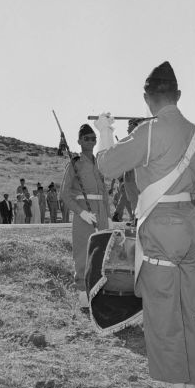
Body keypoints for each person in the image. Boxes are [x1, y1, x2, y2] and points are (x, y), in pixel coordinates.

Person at [95, 61, 195, 388]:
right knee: (184, 313)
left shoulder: (149, 132)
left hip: (161, 231)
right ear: (177, 95)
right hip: (190, 230)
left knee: (163, 316)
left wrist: (105, 133)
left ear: (148, 98)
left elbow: (105, 166)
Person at [59, 124, 110, 307]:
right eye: (86, 138)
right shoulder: (75, 163)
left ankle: (97, 291)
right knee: (83, 253)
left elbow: (104, 192)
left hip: (101, 214)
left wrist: (108, 216)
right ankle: (82, 295)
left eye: (93, 138)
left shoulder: (99, 162)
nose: (90, 141)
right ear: (79, 141)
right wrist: (81, 212)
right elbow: (64, 194)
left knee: (102, 253)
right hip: (84, 214)